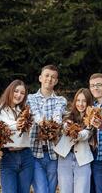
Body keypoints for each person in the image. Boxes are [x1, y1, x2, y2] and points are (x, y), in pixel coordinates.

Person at [27, 64, 67, 193]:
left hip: (53, 154)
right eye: (47, 76)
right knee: (42, 190)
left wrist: (54, 124)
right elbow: (35, 114)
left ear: (56, 81)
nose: (49, 79)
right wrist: (47, 124)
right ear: (40, 78)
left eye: (53, 77)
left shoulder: (61, 100)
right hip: (34, 152)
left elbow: (57, 117)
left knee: (50, 189)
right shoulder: (30, 98)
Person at [0, 79, 34, 193]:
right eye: (16, 91)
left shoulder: (25, 111)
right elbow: (0, 126)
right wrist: (16, 124)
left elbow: (31, 131)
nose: (18, 95)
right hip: (8, 156)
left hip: (26, 155)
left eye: (22, 93)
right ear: (10, 91)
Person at [54, 88, 94, 193]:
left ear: (88, 103)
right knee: (65, 190)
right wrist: (66, 127)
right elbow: (63, 126)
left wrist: (76, 133)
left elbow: (86, 134)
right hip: (65, 157)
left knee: (82, 190)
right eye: (78, 100)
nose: (80, 104)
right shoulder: (68, 116)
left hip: (83, 159)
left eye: (84, 101)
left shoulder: (92, 118)